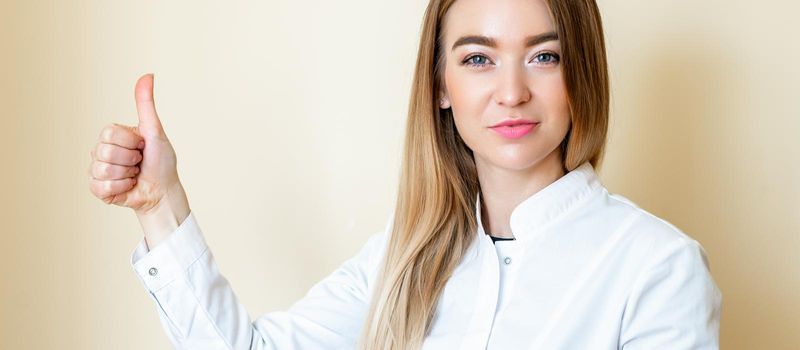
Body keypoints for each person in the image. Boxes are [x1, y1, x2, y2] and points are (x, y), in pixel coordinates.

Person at [87, 0, 722, 349]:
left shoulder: (657, 269)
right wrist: (159, 205)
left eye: (543, 55)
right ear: (441, 86)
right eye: (478, 58)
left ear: (580, 72)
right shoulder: (405, 256)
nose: (511, 91)